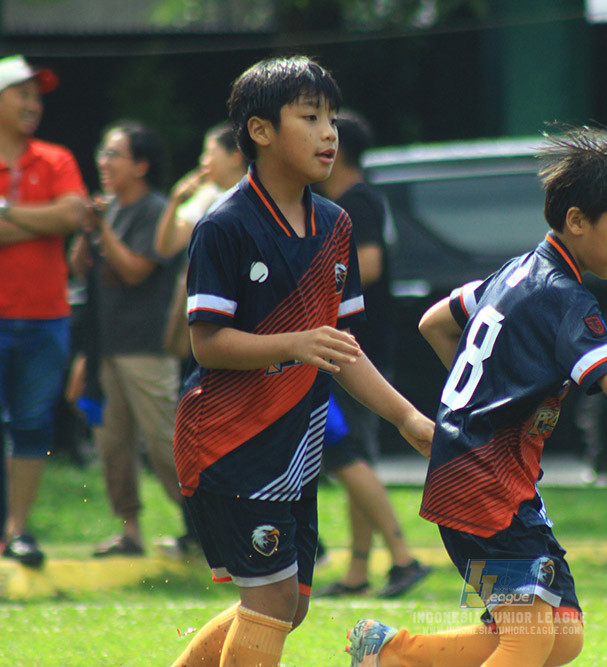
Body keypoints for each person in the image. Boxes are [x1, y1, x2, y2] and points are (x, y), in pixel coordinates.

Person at [346, 126, 607, 667]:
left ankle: (390, 651)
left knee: (561, 635)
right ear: (577, 220)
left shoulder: (516, 271)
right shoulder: (564, 298)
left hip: (489, 481)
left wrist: (471, 403)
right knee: (528, 640)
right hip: (482, 488)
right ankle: (390, 652)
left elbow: (435, 321)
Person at [169, 56, 433, 667]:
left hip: (295, 443)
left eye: (332, 119)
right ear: (260, 132)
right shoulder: (225, 226)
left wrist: (407, 418)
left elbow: (343, 349)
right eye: (310, 117)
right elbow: (206, 343)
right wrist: (292, 343)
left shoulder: (336, 225)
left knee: (291, 605)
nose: (329, 133)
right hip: (229, 443)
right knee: (272, 599)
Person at [314, 110, 430, 600]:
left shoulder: (355, 201)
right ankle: (359, 571)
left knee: (344, 456)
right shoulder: (355, 199)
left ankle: (403, 558)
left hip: (353, 351)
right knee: (354, 456)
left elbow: (371, 266)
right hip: (360, 347)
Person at [67, 120, 187, 557]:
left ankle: (202, 529)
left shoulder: (156, 210)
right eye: (102, 153)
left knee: (163, 445)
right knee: (112, 445)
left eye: (113, 154)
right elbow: (79, 267)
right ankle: (130, 531)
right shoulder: (108, 209)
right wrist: (88, 228)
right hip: (105, 347)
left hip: (147, 346)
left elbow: (136, 270)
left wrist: (103, 230)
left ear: (140, 165)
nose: (102, 162)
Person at [0, 54, 88, 567]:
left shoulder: (54, 158)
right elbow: (58, 216)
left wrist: (8, 213)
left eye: (37, 96)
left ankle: (18, 531)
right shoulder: (55, 168)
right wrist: (45, 219)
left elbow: (74, 214)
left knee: (33, 426)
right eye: (22, 93)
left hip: (45, 316)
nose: (33, 104)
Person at [154, 122, 247, 260]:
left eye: (209, 153)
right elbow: (166, 249)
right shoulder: (207, 195)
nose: (203, 161)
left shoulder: (259, 197)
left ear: (235, 157)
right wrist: (175, 201)